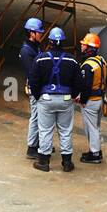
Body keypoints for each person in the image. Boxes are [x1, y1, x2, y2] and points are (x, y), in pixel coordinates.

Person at [28, 27, 82, 173]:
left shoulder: (40, 58)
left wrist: (38, 96)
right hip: (65, 99)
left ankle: (43, 162)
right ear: (63, 42)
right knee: (65, 131)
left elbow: (33, 79)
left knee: (45, 130)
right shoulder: (72, 60)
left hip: (45, 99)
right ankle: (67, 163)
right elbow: (78, 81)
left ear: (50, 41)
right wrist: (73, 95)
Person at [78, 32, 107, 164]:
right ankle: (96, 150)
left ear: (89, 48)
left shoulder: (88, 65)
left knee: (91, 128)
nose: (82, 47)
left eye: (84, 45)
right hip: (100, 99)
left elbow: (86, 86)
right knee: (96, 126)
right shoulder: (101, 61)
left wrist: (82, 100)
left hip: (91, 101)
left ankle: (95, 153)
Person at [19, 17, 46, 158]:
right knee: (35, 117)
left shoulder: (36, 46)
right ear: (31, 33)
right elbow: (32, 74)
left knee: (40, 117)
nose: (41, 34)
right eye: (39, 32)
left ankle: (41, 144)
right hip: (36, 89)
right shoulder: (26, 51)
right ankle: (32, 148)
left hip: (41, 87)